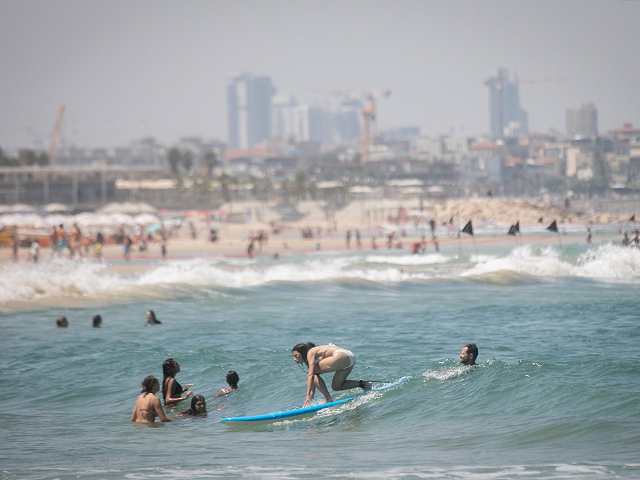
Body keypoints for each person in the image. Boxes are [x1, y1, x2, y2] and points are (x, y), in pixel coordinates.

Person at [292, 342, 371, 407]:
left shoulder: (310, 352)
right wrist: (309, 402)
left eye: (296, 356)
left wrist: (308, 396)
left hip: (341, 355)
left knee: (313, 372)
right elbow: (314, 380)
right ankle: (364, 384)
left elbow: (311, 376)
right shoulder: (317, 353)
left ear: (302, 353)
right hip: (350, 357)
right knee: (336, 386)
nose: (294, 359)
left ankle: (327, 398)